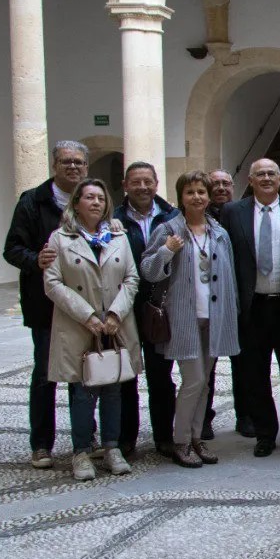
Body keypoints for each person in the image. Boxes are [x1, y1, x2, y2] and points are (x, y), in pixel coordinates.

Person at [42, 178, 142, 480]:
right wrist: (87, 316)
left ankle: (111, 447)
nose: (96, 202)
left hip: (114, 325)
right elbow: (52, 282)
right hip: (79, 326)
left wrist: (114, 313)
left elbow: (131, 278)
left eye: (101, 198)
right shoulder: (60, 238)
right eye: (89, 197)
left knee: (113, 387)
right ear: (76, 203)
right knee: (82, 391)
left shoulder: (117, 236)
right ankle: (82, 451)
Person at [140, 171, 241, 468]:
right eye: (190, 192)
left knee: (205, 381)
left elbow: (230, 276)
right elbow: (148, 269)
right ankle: (181, 440)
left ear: (208, 197)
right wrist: (166, 252)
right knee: (193, 380)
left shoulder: (218, 232)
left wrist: (231, 313)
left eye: (201, 191)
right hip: (183, 317)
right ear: (180, 197)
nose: (197, 197)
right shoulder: (168, 229)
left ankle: (197, 438)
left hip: (214, 315)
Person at [3, 141, 90, 469]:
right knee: (45, 374)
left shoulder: (92, 199)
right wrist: (34, 259)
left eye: (79, 162)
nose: (73, 167)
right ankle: (41, 444)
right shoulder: (32, 201)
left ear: (86, 167)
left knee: (85, 373)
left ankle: (86, 437)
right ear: (55, 165)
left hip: (85, 303)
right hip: (45, 304)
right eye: (66, 161)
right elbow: (12, 248)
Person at [217, 158, 280, 456]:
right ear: (250, 179)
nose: (266, 178)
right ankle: (265, 433)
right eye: (260, 174)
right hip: (252, 306)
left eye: (272, 173)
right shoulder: (232, 212)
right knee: (254, 374)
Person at [114, 162, 179, 457]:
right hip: (124, 304)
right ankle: (125, 436)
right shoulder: (112, 219)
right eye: (136, 182)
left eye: (148, 182)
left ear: (156, 184)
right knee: (125, 373)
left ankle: (164, 435)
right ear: (125, 185)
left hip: (159, 305)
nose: (143, 187)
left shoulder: (171, 217)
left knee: (160, 374)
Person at [204, 168, 237, 434]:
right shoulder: (198, 218)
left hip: (235, 297)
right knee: (206, 365)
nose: (221, 188)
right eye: (215, 184)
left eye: (226, 183)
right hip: (206, 301)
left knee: (241, 363)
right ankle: (203, 418)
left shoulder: (238, 213)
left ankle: (245, 415)